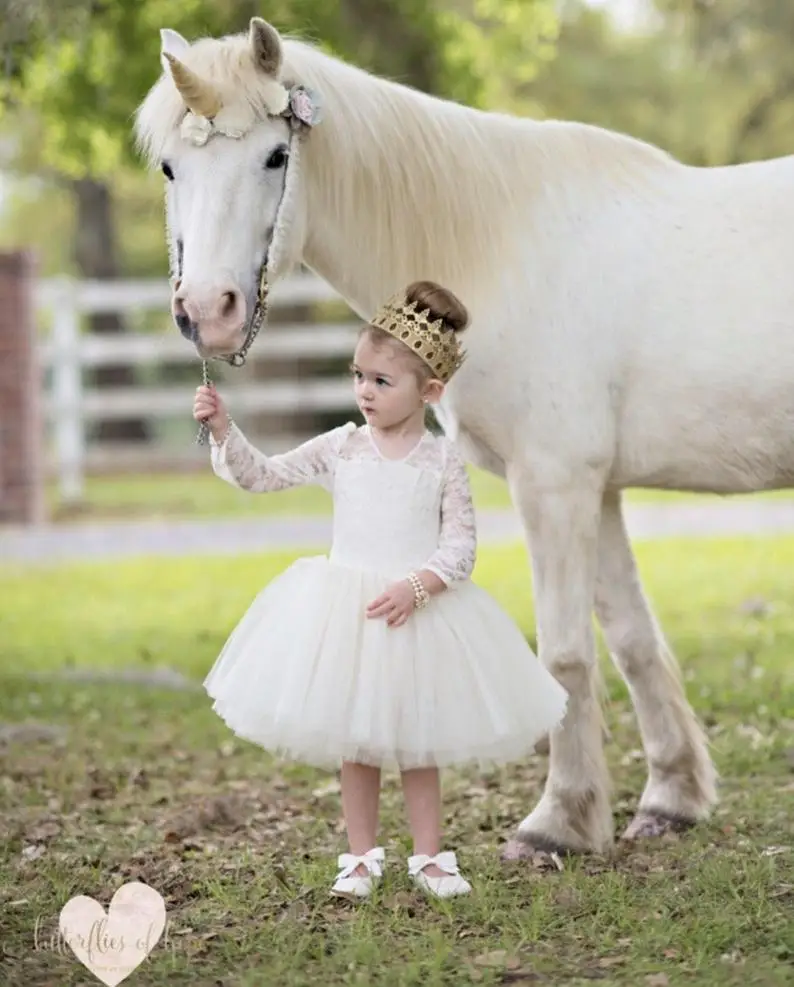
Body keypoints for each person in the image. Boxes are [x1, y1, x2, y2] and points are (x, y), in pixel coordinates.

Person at [193, 280, 568, 900]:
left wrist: (418, 586)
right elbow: (263, 476)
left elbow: (461, 549)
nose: (364, 390)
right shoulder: (341, 448)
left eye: (381, 381)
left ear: (431, 391)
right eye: (357, 375)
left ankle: (430, 858)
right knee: (357, 745)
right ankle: (360, 856)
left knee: (420, 745)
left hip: (415, 614)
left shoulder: (441, 460)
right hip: (352, 617)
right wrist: (224, 432)